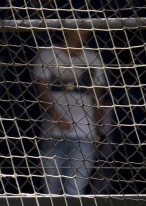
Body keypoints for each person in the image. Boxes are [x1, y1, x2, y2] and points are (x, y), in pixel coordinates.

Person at [33, 28, 106, 195]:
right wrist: (57, 117)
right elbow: (41, 91)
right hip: (53, 132)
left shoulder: (93, 58)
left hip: (84, 133)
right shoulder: (48, 54)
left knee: (75, 191)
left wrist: (99, 133)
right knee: (50, 189)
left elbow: (98, 97)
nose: (81, 31)